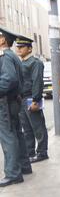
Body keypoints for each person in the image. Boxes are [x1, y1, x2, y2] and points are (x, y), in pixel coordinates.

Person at [0, 27, 32, 187]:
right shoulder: (12, 56)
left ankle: (13, 173)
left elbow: (9, 79)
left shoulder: (5, 56)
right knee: (17, 133)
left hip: (5, 101)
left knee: (8, 136)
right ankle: (24, 166)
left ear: (2, 40)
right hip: (13, 101)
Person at [15, 35, 49, 163]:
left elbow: (37, 82)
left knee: (38, 127)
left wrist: (36, 100)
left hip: (31, 97)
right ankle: (30, 152)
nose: (19, 49)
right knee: (27, 129)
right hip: (22, 99)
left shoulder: (35, 63)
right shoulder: (21, 62)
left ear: (29, 49)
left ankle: (42, 152)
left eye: (22, 47)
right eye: (18, 47)